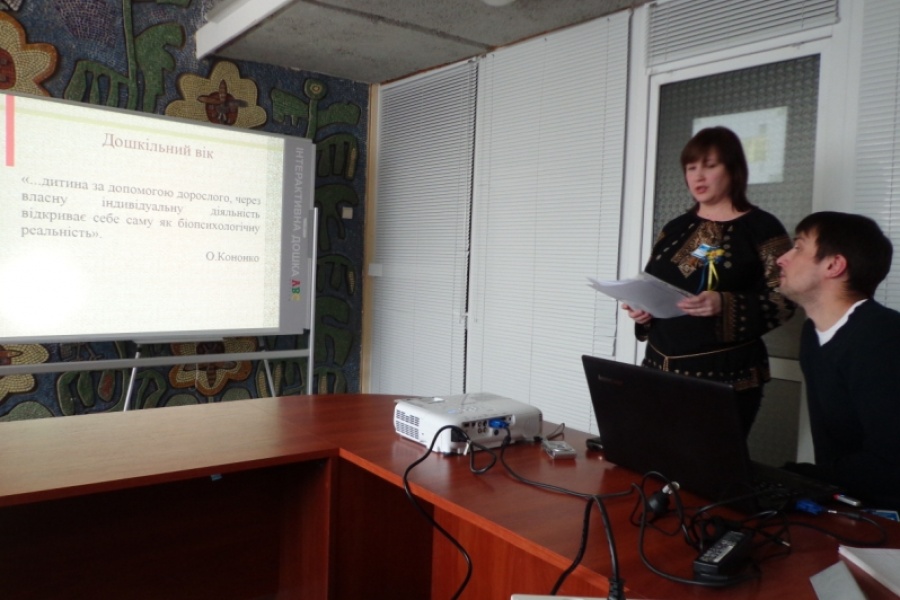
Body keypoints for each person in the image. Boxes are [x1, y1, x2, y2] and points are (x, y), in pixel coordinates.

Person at [623, 127, 796, 437]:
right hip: (658, 369)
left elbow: (785, 300)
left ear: (734, 169)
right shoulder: (676, 228)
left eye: (710, 165)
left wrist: (725, 303)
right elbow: (654, 285)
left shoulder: (762, 228)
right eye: (691, 168)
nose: (698, 176)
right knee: (652, 456)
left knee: (712, 462)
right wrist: (642, 310)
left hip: (724, 377)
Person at [776, 211, 900, 510]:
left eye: (798, 247)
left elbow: (892, 464)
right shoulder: (813, 332)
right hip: (845, 502)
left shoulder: (883, 338)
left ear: (834, 265)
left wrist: (802, 477)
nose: (782, 259)